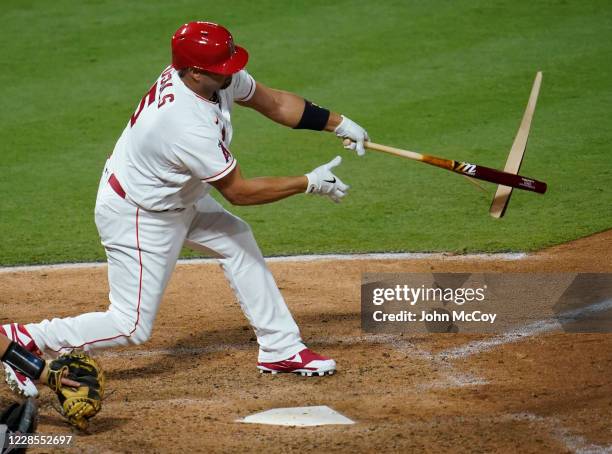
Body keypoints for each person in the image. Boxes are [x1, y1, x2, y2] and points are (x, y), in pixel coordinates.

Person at [2, 21, 369, 397]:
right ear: (194, 71)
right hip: (140, 214)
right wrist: (308, 182)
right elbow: (239, 191)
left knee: (237, 240)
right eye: (221, 67)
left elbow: (271, 101)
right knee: (130, 326)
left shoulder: (212, 76)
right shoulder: (185, 123)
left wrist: (337, 122)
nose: (231, 71)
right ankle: (23, 338)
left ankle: (281, 348)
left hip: (176, 196)